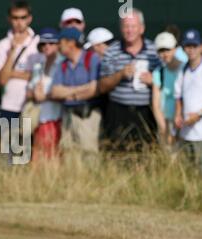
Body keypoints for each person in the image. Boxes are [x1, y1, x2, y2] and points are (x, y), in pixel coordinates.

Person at [99, 8, 161, 152]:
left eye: (133, 26)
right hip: (118, 112)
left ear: (142, 28)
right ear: (121, 29)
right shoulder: (112, 51)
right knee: (117, 155)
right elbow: (102, 86)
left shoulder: (154, 51)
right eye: (126, 26)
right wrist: (120, 74)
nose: (129, 30)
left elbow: (167, 84)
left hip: (146, 113)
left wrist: (154, 81)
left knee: (147, 154)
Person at [0, 0, 39, 162]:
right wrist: (12, 52)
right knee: (9, 158)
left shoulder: (39, 43)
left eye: (23, 17)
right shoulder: (3, 45)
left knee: (30, 156)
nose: (19, 22)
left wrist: (12, 73)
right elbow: (1, 79)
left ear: (29, 18)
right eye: (15, 18)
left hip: (32, 106)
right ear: (9, 19)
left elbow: (38, 76)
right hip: (8, 107)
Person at [51, 28, 101, 154]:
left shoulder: (92, 59)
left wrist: (68, 94)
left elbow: (93, 89)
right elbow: (55, 92)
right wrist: (80, 89)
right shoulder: (62, 64)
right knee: (68, 154)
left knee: (89, 154)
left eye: (60, 42)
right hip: (67, 116)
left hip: (87, 116)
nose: (58, 46)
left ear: (71, 43)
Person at [26, 28, 62, 160]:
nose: (47, 46)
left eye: (51, 43)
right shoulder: (38, 67)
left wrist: (44, 96)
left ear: (58, 45)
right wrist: (35, 94)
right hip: (39, 120)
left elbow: (64, 94)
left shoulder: (62, 65)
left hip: (58, 119)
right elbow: (29, 93)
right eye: (44, 44)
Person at [174, 29, 202, 172]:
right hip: (186, 132)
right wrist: (178, 114)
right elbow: (178, 95)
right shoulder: (183, 70)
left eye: (194, 46)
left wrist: (198, 115)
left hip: (200, 133)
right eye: (187, 46)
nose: (191, 50)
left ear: (201, 47)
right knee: (187, 170)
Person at [151, 32, 184, 147]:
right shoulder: (158, 72)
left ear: (175, 49)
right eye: (161, 51)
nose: (165, 54)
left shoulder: (185, 69)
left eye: (168, 50)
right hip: (166, 124)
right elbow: (156, 106)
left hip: (185, 124)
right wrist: (166, 130)